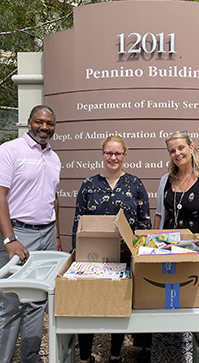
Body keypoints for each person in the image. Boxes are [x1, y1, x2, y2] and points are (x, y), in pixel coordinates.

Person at [0, 104, 62, 363]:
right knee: (12, 300)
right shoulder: (9, 151)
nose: (44, 127)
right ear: (29, 122)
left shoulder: (54, 158)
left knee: (38, 298)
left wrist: (58, 235)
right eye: (40, 122)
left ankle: (30, 356)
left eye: (50, 123)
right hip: (18, 232)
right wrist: (10, 239)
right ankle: (2, 360)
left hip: (47, 233)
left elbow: (53, 200)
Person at [72, 135, 151, 363]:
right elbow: (79, 221)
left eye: (118, 153)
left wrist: (141, 255)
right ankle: (85, 357)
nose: (113, 157)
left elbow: (144, 223)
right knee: (87, 306)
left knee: (118, 305)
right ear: (102, 154)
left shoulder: (135, 184)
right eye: (109, 153)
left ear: (125, 155)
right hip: (92, 257)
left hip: (125, 256)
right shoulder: (88, 184)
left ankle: (115, 355)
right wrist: (77, 252)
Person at [152, 130, 199, 363]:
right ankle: (164, 356)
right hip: (167, 254)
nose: (177, 153)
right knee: (166, 304)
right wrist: (153, 243)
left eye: (181, 148)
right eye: (172, 150)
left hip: (196, 256)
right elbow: (160, 215)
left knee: (193, 308)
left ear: (191, 147)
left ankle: (191, 355)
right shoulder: (165, 180)